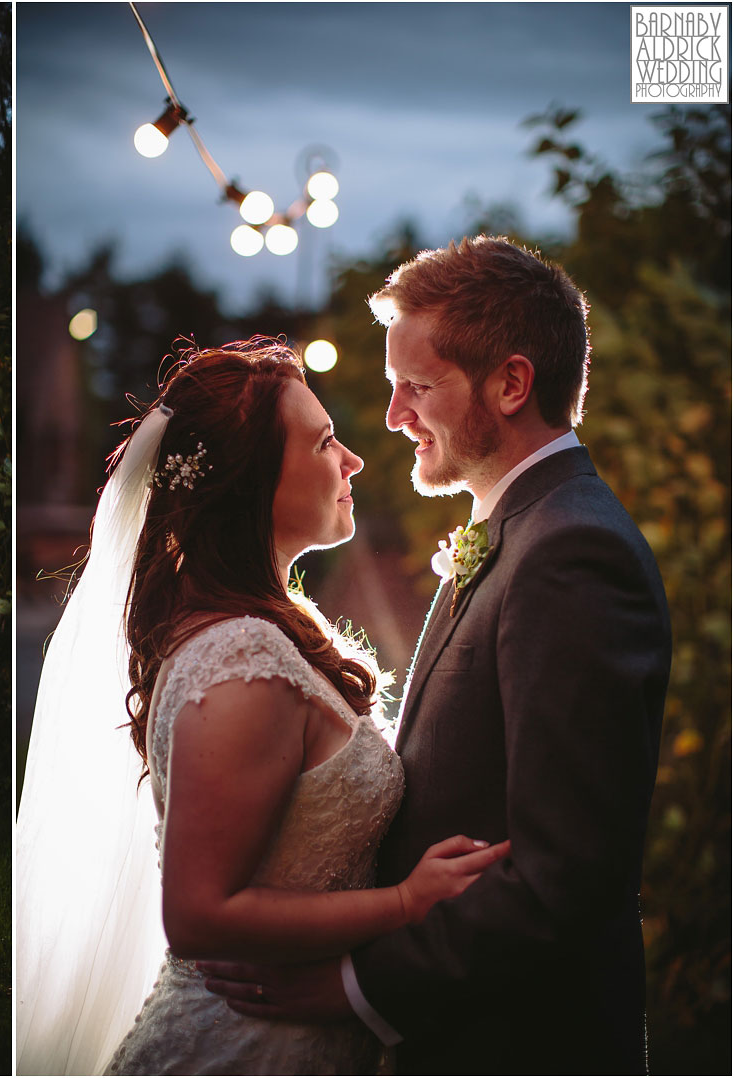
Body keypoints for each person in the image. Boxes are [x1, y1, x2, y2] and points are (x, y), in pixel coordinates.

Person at [201, 237, 672, 1074]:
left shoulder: (570, 555)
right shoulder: (524, 531)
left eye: (415, 387)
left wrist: (351, 985)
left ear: (511, 383)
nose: (392, 417)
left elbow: (562, 880)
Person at [15, 339, 509, 1075]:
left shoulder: (274, 628)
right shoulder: (239, 661)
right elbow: (197, 913)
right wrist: (406, 904)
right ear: (254, 484)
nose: (353, 462)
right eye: (324, 442)